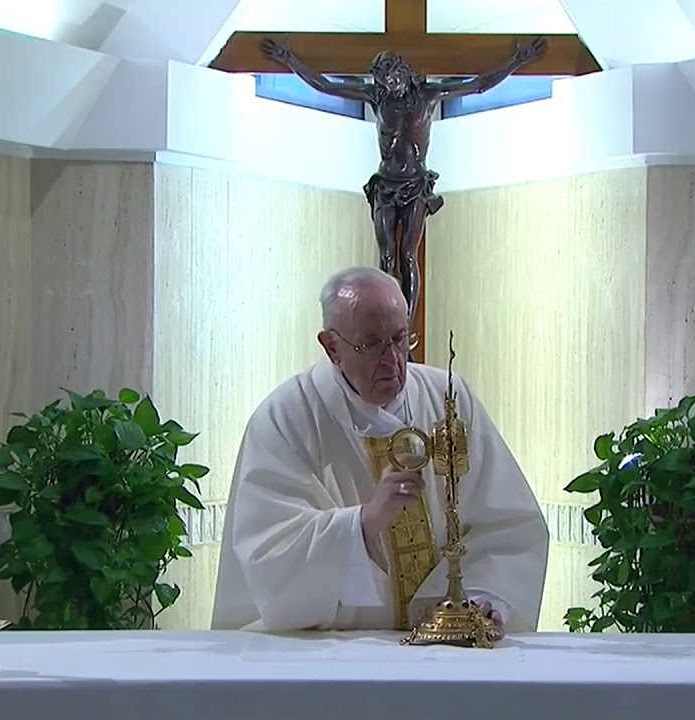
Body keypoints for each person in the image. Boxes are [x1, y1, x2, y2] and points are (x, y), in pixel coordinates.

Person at [212, 267, 549, 634]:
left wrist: (486, 595)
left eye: (400, 339)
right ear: (332, 347)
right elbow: (269, 554)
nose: (393, 359)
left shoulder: (450, 399)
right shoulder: (286, 418)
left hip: (447, 649)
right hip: (334, 650)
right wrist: (364, 522)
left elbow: (509, 527)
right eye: (371, 345)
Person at [259, 37, 548, 331]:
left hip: (415, 184)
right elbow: (325, 86)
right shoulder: (378, 97)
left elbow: (479, 85)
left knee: (408, 254)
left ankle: (404, 327)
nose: (390, 84)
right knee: (386, 257)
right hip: (385, 184)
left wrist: (518, 60)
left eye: (394, 77)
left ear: (404, 71)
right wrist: (288, 59)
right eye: (384, 80)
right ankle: (386, 321)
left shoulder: (428, 95)